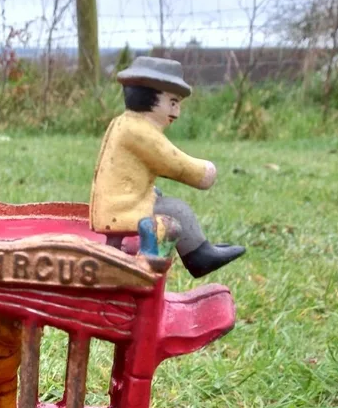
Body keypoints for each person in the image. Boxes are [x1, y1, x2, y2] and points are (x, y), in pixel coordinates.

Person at [90, 56, 245, 279]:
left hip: (119, 202)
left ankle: (200, 249)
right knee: (176, 210)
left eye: (178, 104)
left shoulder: (126, 123)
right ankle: (199, 258)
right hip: (122, 208)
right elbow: (174, 162)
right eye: (172, 103)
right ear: (147, 97)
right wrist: (205, 172)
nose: (177, 112)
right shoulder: (140, 131)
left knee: (167, 204)